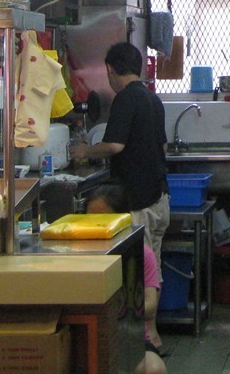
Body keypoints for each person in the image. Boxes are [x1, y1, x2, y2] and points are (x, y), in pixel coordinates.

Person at [72, 43, 171, 286]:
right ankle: (151, 325)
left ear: (111, 69)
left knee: (137, 274)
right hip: (159, 199)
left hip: (138, 203)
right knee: (152, 270)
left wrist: (85, 150)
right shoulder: (152, 98)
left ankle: (139, 323)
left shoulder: (125, 98)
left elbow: (115, 145)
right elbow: (164, 147)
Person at [86, 183, 167, 367]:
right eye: (90, 220)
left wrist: (117, 313)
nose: (97, 227)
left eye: (105, 221)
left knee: (154, 369)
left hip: (132, 337)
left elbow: (151, 304)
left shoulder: (140, 253)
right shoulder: (79, 254)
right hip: (90, 335)